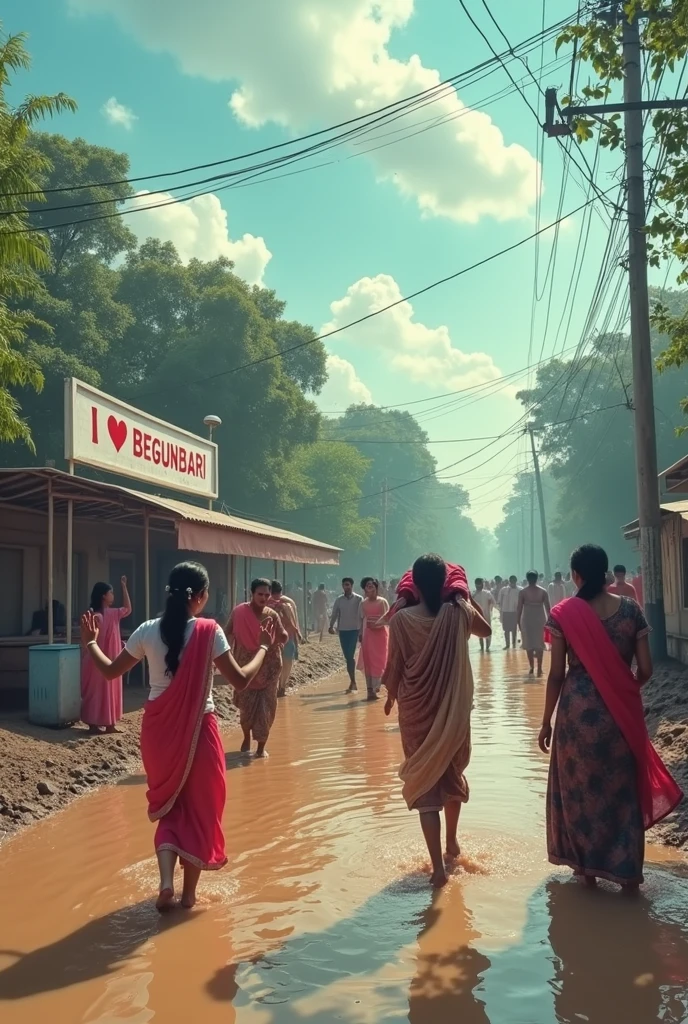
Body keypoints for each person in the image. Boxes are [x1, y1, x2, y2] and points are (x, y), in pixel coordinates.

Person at [80, 561, 275, 911]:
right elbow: (242, 680)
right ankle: (187, 897)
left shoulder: (146, 630)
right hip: (201, 731)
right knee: (201, 810)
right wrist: (263, 647)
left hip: (157, 733)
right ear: (200, 597)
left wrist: (91, 642)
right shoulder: (208, 630)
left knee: (169, 807)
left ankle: (166, 881)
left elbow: (109, 671)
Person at [539, 544, 682, 891]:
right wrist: (624, 688)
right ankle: (628, 876)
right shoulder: (631, 610)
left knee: (579, 792)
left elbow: (557, 674)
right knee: (621, 793)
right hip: (619, 713)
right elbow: (645, 669)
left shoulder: (564, 614)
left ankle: (586, 872)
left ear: (576, 575)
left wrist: (545, 721)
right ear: (604, 573)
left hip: (577, 715)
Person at [382, 554, 491, 888]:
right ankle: (452, 844)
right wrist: (462, 595)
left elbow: (395, 666)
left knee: (427, 784)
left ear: (412, 583)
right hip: (452, 707)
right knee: (451, 771)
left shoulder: (401, 621)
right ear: (446, 582)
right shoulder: (457, 614)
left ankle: (437, 870)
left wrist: (389, 697)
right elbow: (486, 630)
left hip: (415, 710)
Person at [227, 579, 289, 757]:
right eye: (260, 594)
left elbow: (283, 636)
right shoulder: (239, 612)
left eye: (267, 595)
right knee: (246, 708)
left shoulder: (272, 615)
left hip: (269, 668)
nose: (263, 597)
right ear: (252, 593)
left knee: (266, 709)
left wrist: (275, 638)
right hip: (244, 669)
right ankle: (246, 737)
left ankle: (261, 748)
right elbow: (227, 631)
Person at [80, 577, 131, 734]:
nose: (113, 596)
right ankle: (100, 724)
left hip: (102, 659)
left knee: (104, 690)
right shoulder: (101, 615)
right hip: (101, 660)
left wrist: (123, 587)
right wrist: (123, 587)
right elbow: (128, 609)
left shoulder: (107, 614)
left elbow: (128, 609)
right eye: (111, 593)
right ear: (104, 596)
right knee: (101, 690)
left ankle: (103, 725)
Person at [357, 577, 390, 700]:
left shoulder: (383, 602)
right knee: (368, 662)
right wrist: (360, 633)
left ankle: (378, 686)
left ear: (376, 587)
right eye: (367, 585)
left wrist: (378, 624)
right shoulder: (363, 603)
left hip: (381, 636)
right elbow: (361, 620)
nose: (369, 586)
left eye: (372, 585)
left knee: (381, 660)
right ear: (364, 589)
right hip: (368, 636)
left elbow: (388, 619)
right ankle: (370, 691)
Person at [269, 579, 303, 696]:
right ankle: (280, 686)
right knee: (283, 662)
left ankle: (281, 686)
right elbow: (293, 621)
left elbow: (292, 621)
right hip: (281, 637)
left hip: (280, 637)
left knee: (282, 662)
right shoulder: (288, 603)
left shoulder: (286, 604)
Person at [329, 577, 363, 692]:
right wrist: (331, 625)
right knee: (347, 657)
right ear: (342, 586)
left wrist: (362, 630)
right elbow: (334, 613)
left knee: (350, 655)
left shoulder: (359, 599)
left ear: (352, 586)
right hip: (342, 631)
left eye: (348, 585)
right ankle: (352, 680)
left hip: (354, 630)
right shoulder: (339, 600)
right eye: (344, 585)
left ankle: (353, 681)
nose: (346, 587)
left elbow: (363, 615)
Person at [518, 571, 551, 677]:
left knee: (531, 644)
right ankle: (538, 668)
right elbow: (548, 609)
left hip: (529, 618)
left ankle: (533, 667)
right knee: (537, 644)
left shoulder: (523, 592)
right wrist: (550, 622)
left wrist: (518, 621)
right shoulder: (542, 591)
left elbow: (519, 609)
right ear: (536, 578)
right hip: (538, 618)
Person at [471, 578, 495, 653]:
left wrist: (490, 608)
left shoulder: (487, 593)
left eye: (480, 584)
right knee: (480, 632)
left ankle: (487, 648)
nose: (479, 586)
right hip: (478, 615)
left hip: (486, 615)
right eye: (477, 584)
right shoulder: (473, 594)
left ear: (482, 584)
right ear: (475, 585)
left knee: (487, 631)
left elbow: (493, 602)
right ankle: (482, 648)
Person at [499, 576, 521, 649]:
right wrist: (501, 612)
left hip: (514, 612)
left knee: (514, 629)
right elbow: (500, 602)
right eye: (511, 581)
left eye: (514, 581)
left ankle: (514, 644)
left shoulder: (520, 590)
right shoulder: (503, 590)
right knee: (506, 630)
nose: (512, 582)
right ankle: (507, 645)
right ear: (509, 581)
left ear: (516, 581)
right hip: (505, 612)